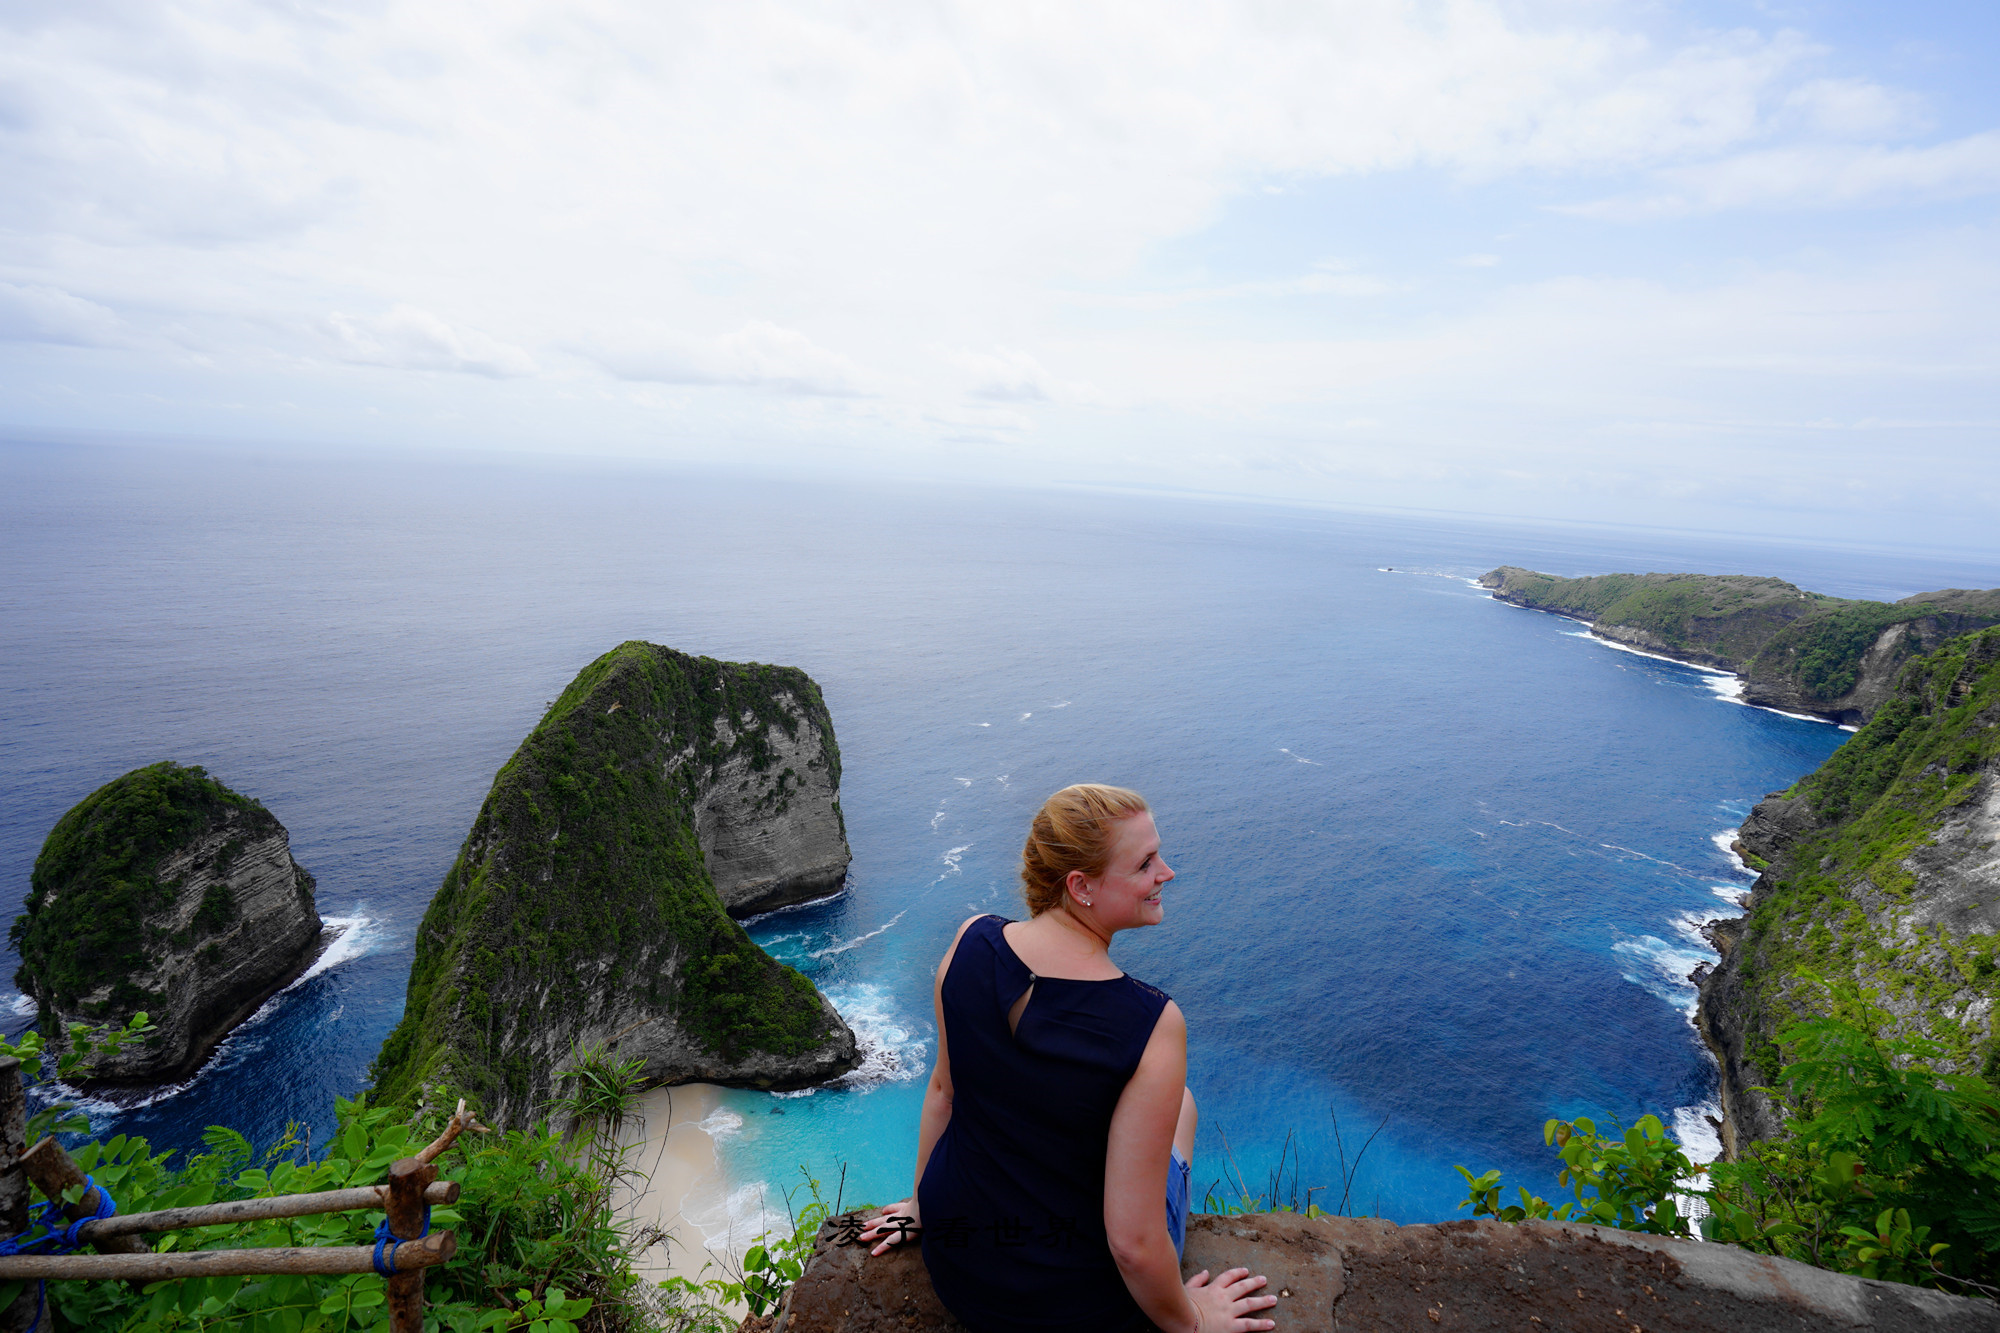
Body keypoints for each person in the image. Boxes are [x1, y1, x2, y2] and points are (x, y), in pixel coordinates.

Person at [859, 784, 1280, 1333]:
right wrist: (1193, 1321)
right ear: (1080, 886)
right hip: (1075, 1307)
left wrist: (921, 1208)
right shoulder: (1150, 1022)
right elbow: (1131, 1243)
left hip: (959, 1268)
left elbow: (943, 1092)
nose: (1167, 873)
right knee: (1181, 1106)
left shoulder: (970, 940)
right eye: (1146, 863)